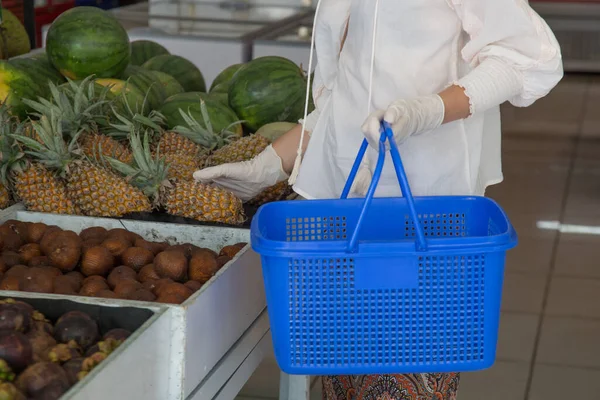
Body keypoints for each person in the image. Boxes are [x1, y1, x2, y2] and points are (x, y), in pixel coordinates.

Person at [195, 0, 563, 398]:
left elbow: (527, 58)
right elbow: (348, 96)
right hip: (345, 203)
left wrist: (429, 110)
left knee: (408, 367)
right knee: (343, 364)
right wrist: (271, 163)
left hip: (426, 206)